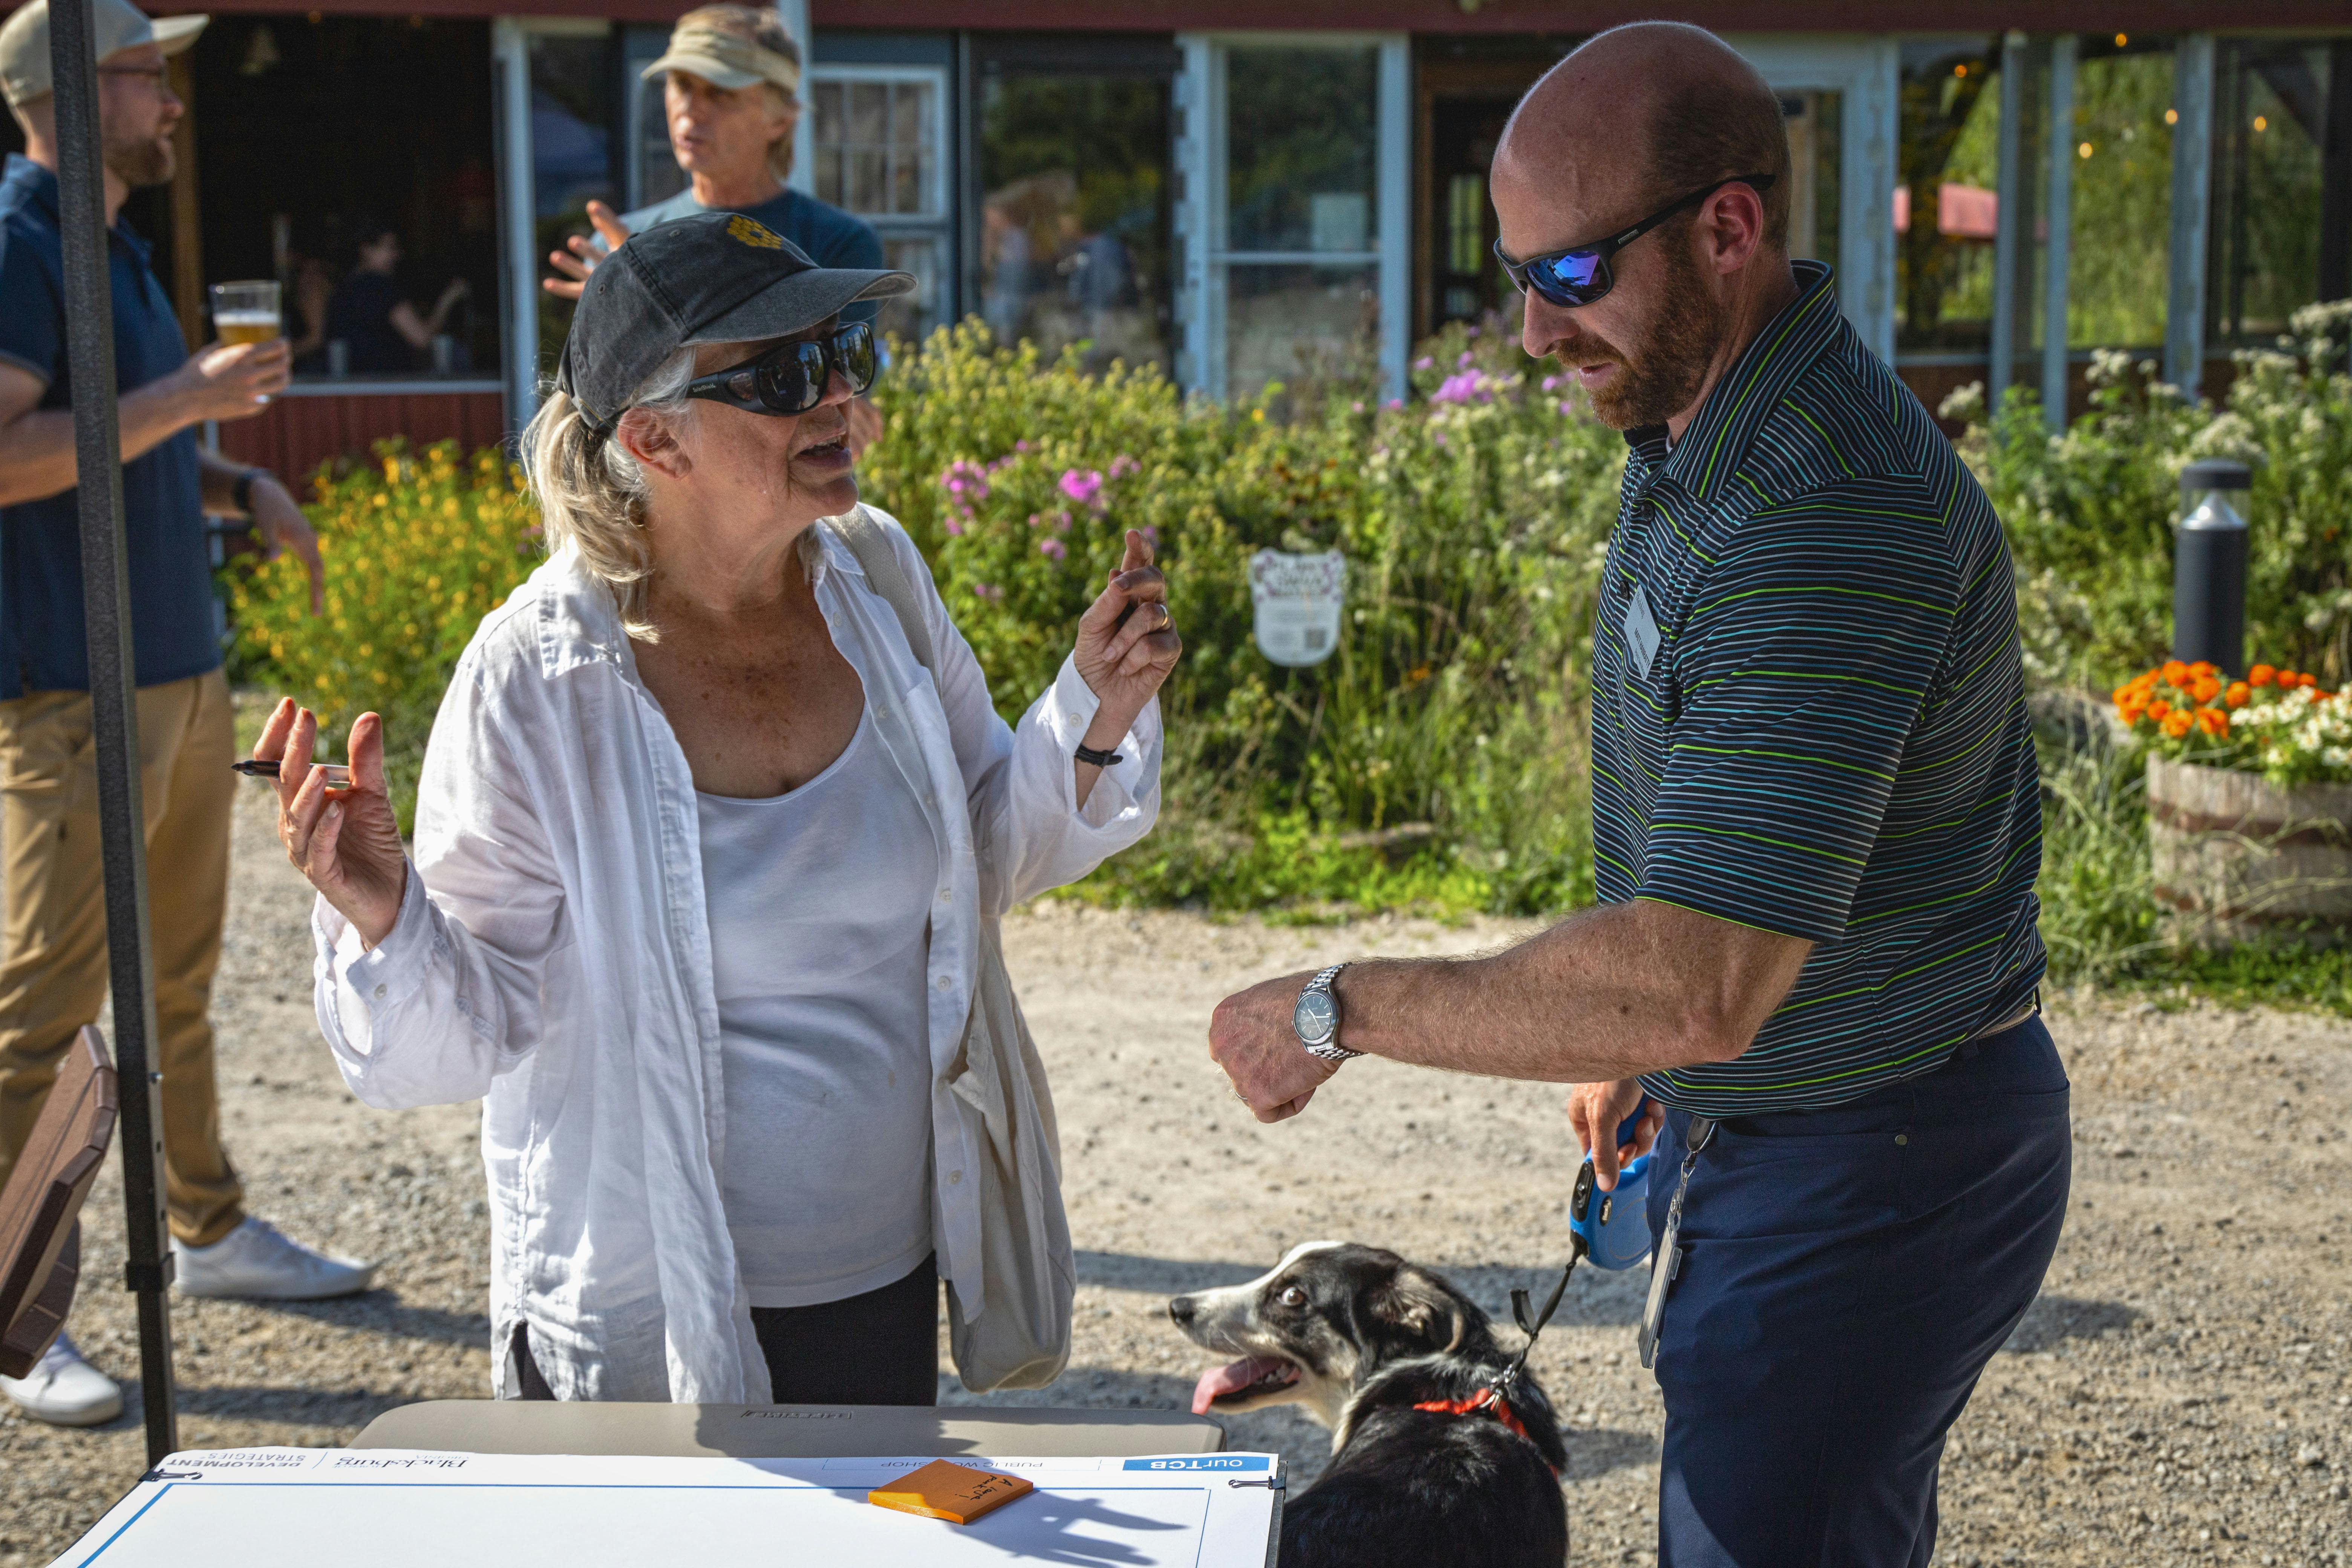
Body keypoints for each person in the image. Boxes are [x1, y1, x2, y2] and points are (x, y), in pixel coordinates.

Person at [1206, 23, 2065, 1568]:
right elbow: (1719, 890)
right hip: (1798, 1118)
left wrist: (1336, 1006)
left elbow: (1702, 979)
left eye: (1573, 275)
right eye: (1515, 271)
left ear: (1729, 229)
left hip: (1869, 1157)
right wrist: (1637, 1037)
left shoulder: (1819, 506)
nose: (1534, 330)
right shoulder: (1697, 412)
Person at [259, 212, 1181, 1404]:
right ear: (654, 438)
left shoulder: (878, 580)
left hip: (875, 1282)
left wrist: (1095, 713)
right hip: (647, 1315)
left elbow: (985, 853)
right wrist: (387, 919)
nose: (845, 402)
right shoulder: (538, 675)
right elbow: (451, 1047)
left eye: (849, 352)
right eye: (792, 375)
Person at [0, 0, 366, 1429]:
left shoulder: (112, 246)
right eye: (151, 75)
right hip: (68, 691)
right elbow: (10, 452)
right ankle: (20, 1325)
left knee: (183, 983)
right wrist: (186, 397)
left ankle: (208, 1234)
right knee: (40, 1020)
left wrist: (229, 481)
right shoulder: (21, 243)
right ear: (73, 97)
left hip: (174, 669)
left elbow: (119, 444)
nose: (175, 100)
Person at [542, 4, 885, 456]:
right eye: (681, 84)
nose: (691, 108)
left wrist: (654, 304)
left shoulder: (840, 243)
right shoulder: (631, 244)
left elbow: (836, 403)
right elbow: (604, 428)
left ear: (779, 118)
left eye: (721, 91)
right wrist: (624, 309)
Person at [322, 217, 469, 375]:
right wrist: (448, 299)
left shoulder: (344, 288)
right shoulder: (380, 286)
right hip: (389, 385)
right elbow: (422, 338)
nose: (396, 256)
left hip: (353, 386)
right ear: (366, 249)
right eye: (390, 248)